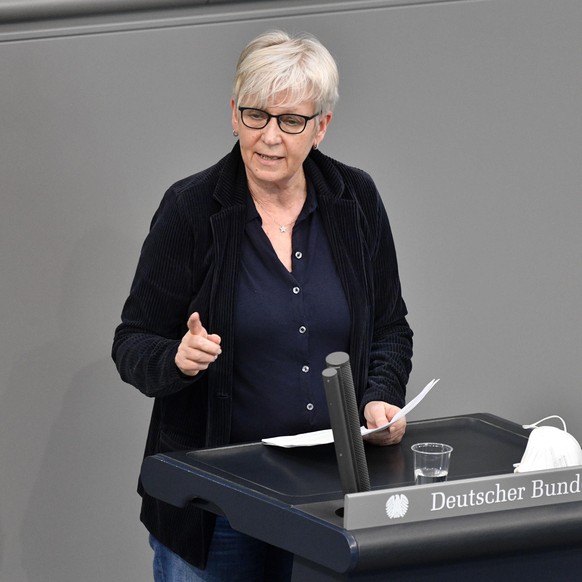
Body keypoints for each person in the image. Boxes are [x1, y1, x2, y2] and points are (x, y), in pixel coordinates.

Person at [112, 30, 413, 582]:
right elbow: (132, 342)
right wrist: (177, 358)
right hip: (215, 505)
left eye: (291, 120)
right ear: (233, 114)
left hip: (329, 497)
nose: (269, 137)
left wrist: (379, 399)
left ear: (321, 126)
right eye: (255, 115)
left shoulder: (356, 200)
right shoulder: (190, 208)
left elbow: (390, 327)